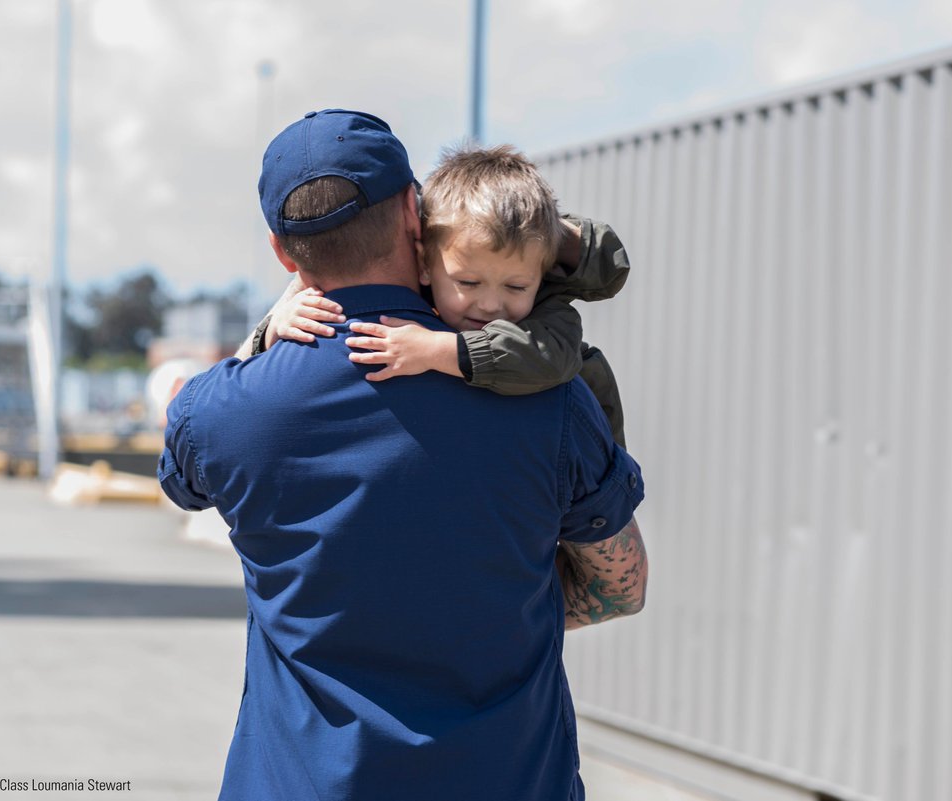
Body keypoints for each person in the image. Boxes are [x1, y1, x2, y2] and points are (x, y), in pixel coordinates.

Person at [159, 109, 648, 801]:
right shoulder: (552, 398)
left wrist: (265, 334)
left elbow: (183, 469)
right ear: (415, 215)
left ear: (282, 253)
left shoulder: (225, 411)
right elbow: (622, 587)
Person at [252, 143, 631, 448]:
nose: (491, 305)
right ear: (424, 263)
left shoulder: (550, 314)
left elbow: (548, 359)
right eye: (468, 283)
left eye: (516, 286)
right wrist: (273, 328)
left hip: (588, 487)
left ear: (542, 273)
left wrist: (437, 349)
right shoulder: (423, 279)